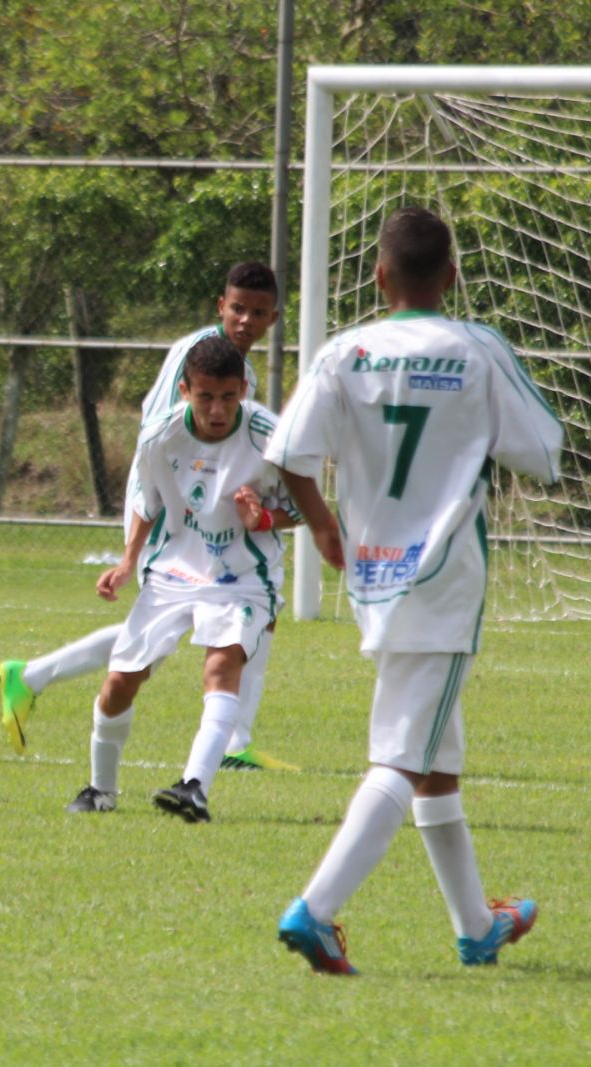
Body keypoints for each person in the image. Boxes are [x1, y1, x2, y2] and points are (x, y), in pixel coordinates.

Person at [269, 206, 557, 973]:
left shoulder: (345, 351)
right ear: (452, 276)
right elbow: (543, 452)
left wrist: (323, 527)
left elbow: (290, 452)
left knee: (435, 756)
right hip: (444, 579)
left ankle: (477, 925)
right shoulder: (477, 347)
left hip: (375, 573)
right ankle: (315, 909)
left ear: (378, 275)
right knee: (401, 758)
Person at [0, 262, 295, 771]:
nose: (246, 320)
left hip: (196, 498)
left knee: (238, 613)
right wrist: (142, 539)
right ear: (220, 306)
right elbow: (161, 433)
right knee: (161, 631)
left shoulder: (232, 366)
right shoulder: (198, 355)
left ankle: (232, 740)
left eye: (257, 312)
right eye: (238, 308)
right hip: (169, 500)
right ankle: (34, 678)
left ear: (273, 318)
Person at [62, 334, 297, 821]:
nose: (218, 409)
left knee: (221, 668)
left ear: (243, 391)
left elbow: (300, 508)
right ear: (185, 390)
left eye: (229, 397)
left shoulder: (269, 436)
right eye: (206, 396)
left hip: (244, 574)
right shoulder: (159, 436)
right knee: (120, 681)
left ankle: (194, 788)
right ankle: (101, 790)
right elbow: (147, 502)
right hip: (174, 569)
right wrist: (127, 562)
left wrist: (262, 519)